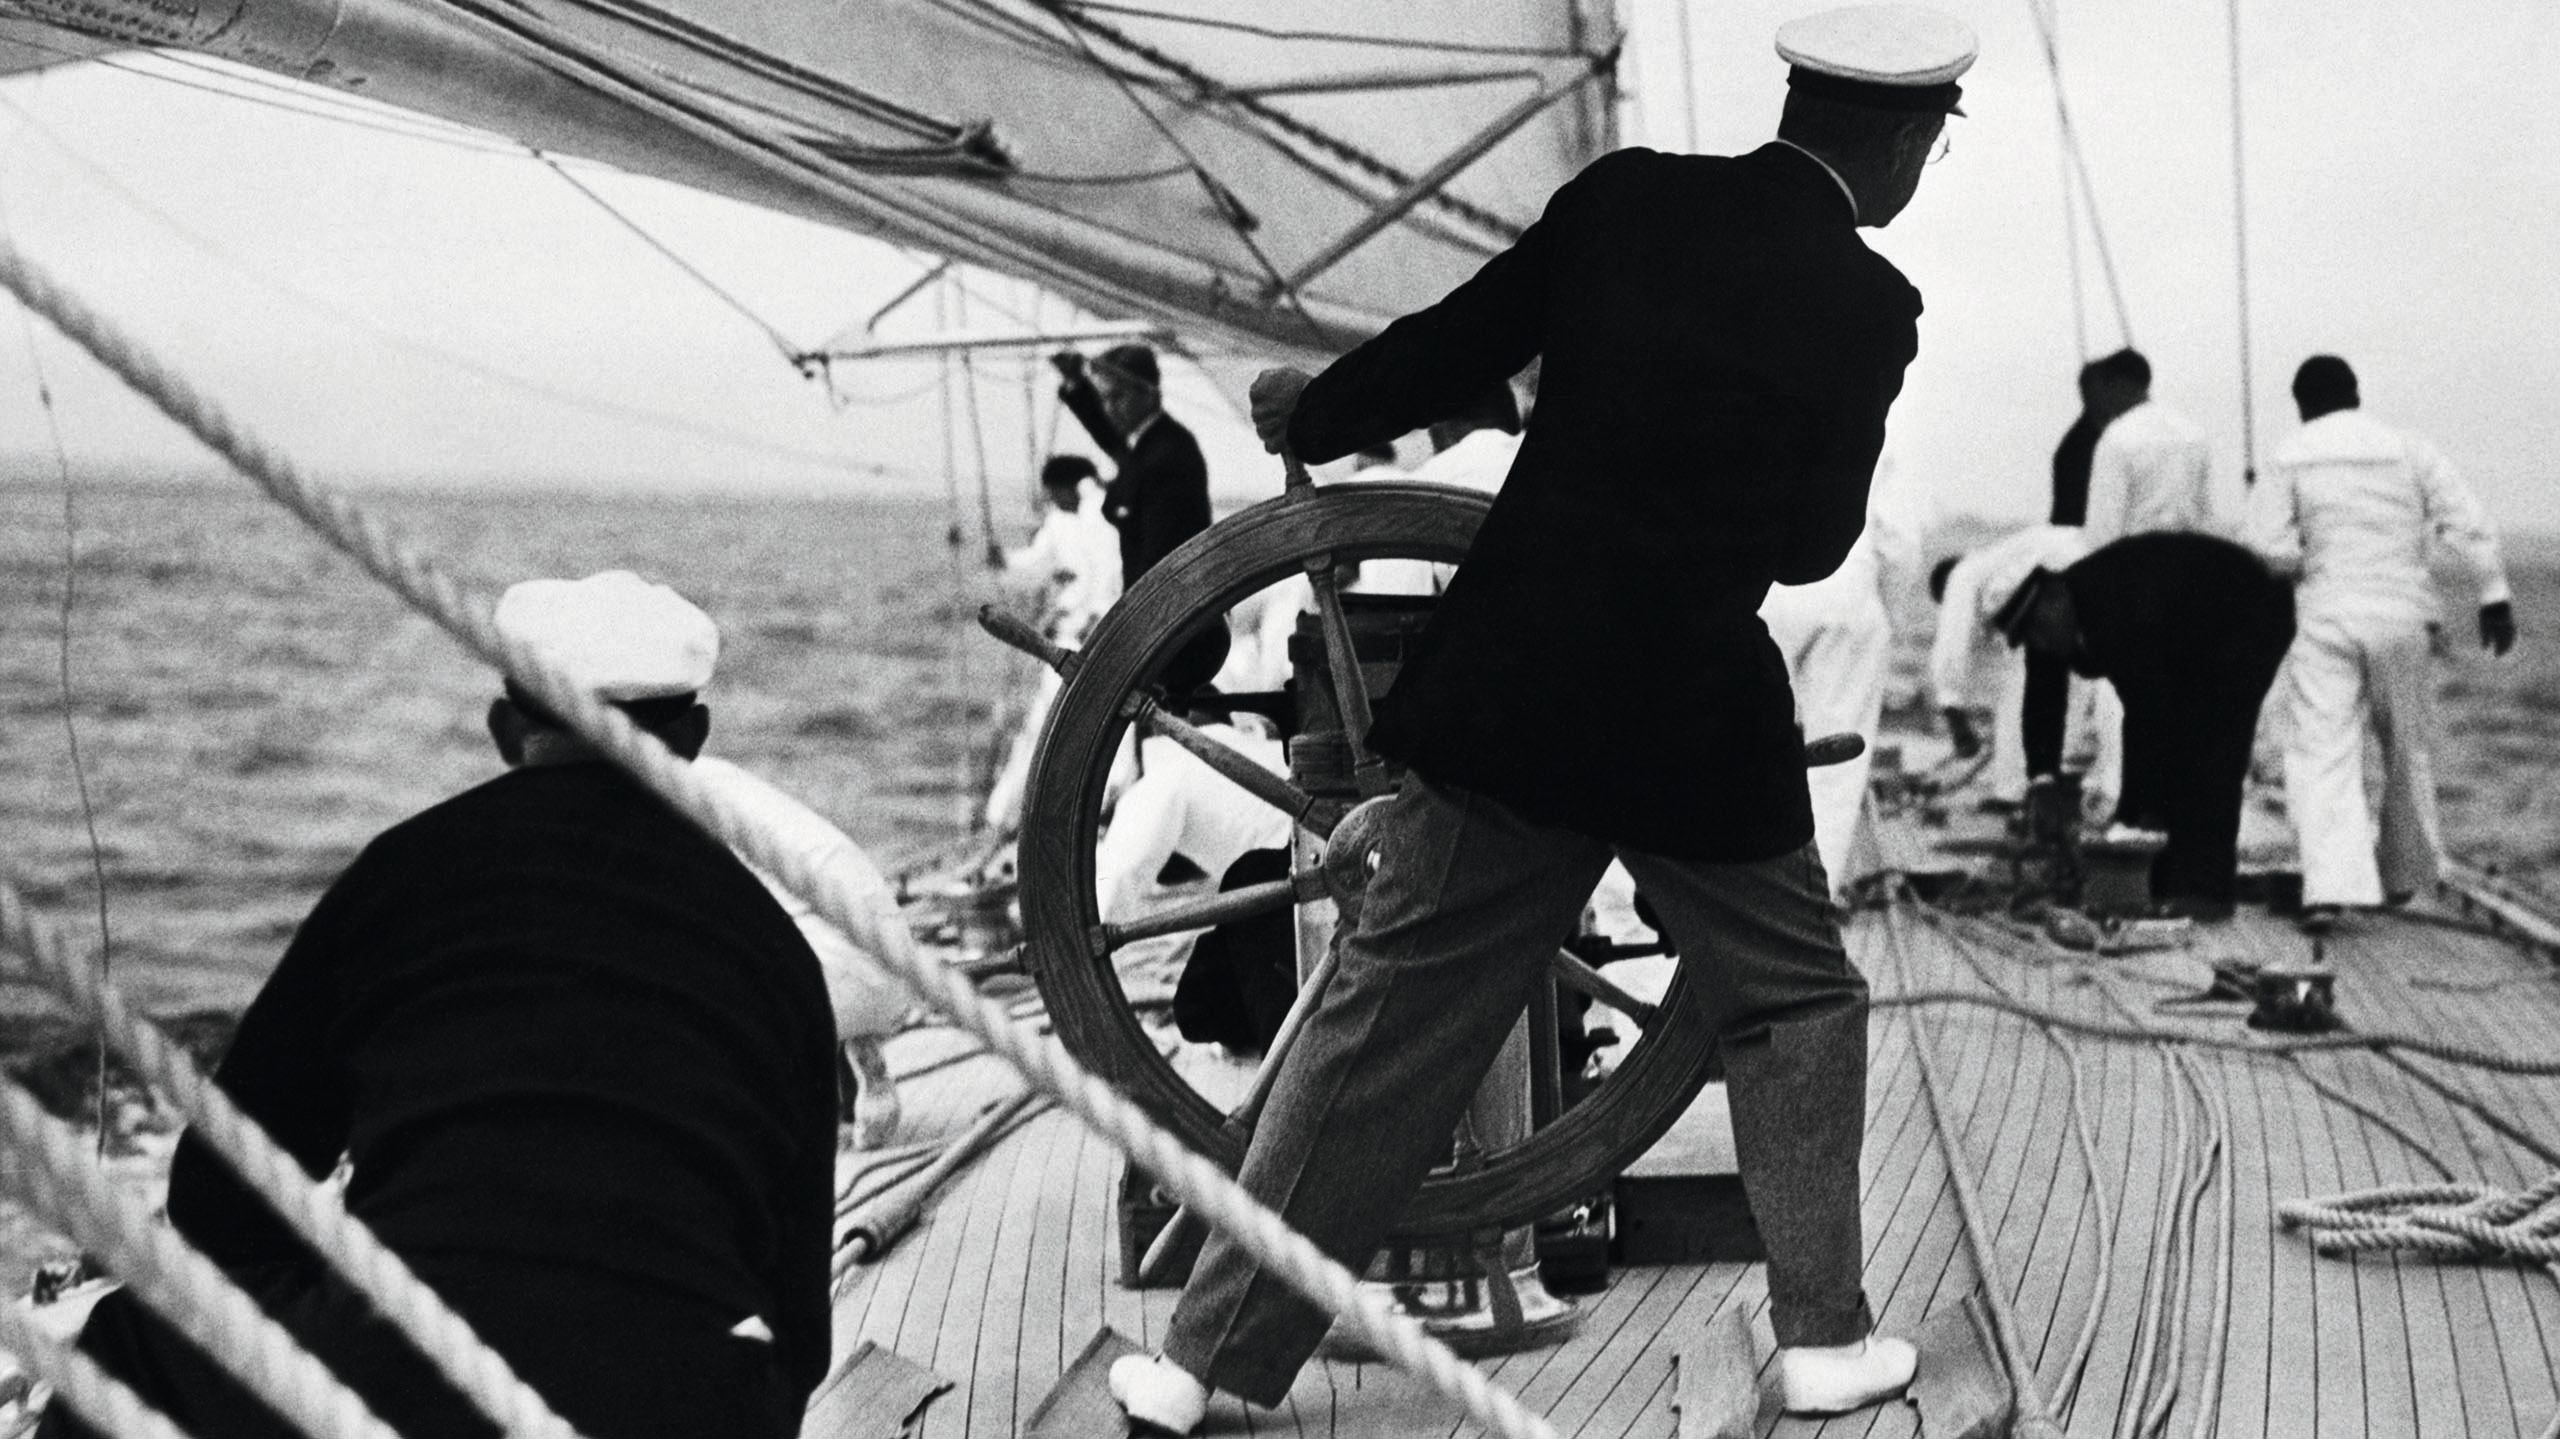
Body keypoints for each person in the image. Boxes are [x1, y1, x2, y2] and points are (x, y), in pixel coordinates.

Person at [1107, 8, 1975, 1429]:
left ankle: (1199, 1363)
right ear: (1900, 139)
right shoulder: (1869, 303)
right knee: (1796, 993)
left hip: (1521, 677)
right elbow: (1816, 543)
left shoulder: (1625, 198)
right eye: (1927, 150)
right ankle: (1821, 1336)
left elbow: (1455, 343)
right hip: (1695, 706)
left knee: (1385, 1021)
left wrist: (1311, 412)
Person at [45, 572, 835, 1439]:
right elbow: (797, 1318)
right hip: (685, 1398)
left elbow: (221, 1197)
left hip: (415, 1370)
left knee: (123, 1342)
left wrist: (340, 1315)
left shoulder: (403, 874)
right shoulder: (774, 947)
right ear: (694, 735)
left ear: (505, 730)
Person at [2245, 355, 2515, 933]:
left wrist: (2303, 558)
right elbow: (2463, 519)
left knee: (2322, 747)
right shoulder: (2408, 448)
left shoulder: (2288, 454)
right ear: (2356, 393)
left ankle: (2330, 889)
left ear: (2301, 402)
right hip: (2403, 617)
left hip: (2329, 615)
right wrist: (2493, 592)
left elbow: (2267, 549)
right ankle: (2405, 875)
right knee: (2404, 745)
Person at [1998, 534, 2296, 918]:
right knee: (2170, 762)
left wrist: (2131, 827)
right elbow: (2042, 699)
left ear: (2056, 593)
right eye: (2028, 638)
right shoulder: (2050, 623)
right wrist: (2043, 782)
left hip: (2247, 612)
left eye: (2038, 628)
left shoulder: (2116, 612)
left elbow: (2149, 720)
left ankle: (2206, 891)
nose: (2039, 642)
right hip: (2185, 626)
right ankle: (2161, 876)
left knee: (2211, 747)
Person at [693, 753, 914, 1149]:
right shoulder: (725, 780)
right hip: (897, 966)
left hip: (833, 982)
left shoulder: (672, 797)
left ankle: (817, 1104)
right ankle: (853, 1069)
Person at [1759, 457, 1923, 900]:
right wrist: (1887, 619)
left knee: (1747, 754)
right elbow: (1901, 547)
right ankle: (1811, 903)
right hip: (1845, 599)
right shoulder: (1871, 435)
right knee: (1833, 776)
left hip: (1761, 595)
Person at [1093, 709, 1294, 1052]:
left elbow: (1113, 888)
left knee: (1197, 1008)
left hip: (1287, 885)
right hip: (1290, 872)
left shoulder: (1161, 780)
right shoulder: (1222, 744)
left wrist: (1076, 967)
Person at [1056, 342, 1225, 690]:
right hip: (1166, 629)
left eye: (1117, 398)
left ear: (1148, 393)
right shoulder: (1153, 444)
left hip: (1175, 636)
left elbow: (1158, 564)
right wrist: (1076, 385)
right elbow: (1111, 436)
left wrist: (1127, 638)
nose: (1109, 408)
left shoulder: (1166, 457)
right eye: (1104, 399)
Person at [1926, 525, 2119, 807]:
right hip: (2083, 574)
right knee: (2069, 691)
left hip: (2063, 576)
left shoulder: (1963, 575)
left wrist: (1954, 711)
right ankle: (2044, 782)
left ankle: (2016, 790)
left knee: (2023, 693)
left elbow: (1951, 645)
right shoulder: (2002, 572)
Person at [983, 455, 1126, 834]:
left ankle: (1105, 803)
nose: (1052, 502)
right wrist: (1003, 562)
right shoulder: (1060, 523)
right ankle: (1012, 815)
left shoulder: (1107, 513)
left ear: (1068, 487)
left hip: (1104, 634)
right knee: (1049, 723)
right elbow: (1035, 564)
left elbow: (1116, 570)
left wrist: (1098, 615)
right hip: (1069, 637)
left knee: (1107, 721)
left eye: (1053, 494)